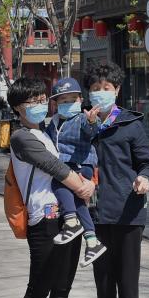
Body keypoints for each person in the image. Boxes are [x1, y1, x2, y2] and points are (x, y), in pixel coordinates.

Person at [8, 77, 97, 298]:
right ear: (17, 108)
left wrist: (87, 182)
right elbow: (55, 167)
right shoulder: (21, 137)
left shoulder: (47, 132)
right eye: (31, 101)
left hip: (66, 219)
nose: (38, 105)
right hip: (44, 221)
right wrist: (83, 186)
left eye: (40, 99)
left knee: (62, 289)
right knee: (38, 291)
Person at [84, 62, 149, 298]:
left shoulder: (130, 124)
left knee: (127, 283)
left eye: (106, 88)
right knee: (104, 284)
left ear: (116, 90)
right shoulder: (82, 124)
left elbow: (148, 163)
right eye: (95, 88)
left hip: (128, 214)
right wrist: (86, 128)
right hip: (95, 215)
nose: (100, 93)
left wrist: (145, 179)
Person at [45, 77, 103, 261]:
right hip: (67, 163)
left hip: (79, 163)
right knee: (78, 200)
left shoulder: (82, 118)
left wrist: (92, 121)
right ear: (55, 103)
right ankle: (92, 241)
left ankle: (71, 221)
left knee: (59, 183)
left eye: (72, 99)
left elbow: (91, 130)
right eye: (63, 100)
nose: (68, 103)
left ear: (80, 100)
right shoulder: (54, 122)